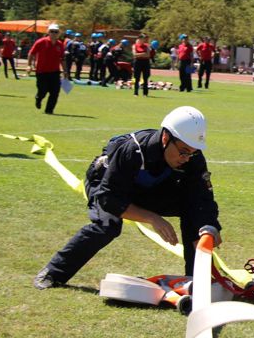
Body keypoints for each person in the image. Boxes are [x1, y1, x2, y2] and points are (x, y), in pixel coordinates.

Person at [33, 106, 220, 289]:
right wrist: (152, 218)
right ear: (165, 138)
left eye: (193, 152)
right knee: (107, 226)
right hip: (106, 185)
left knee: (196, 215)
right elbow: (109, 198)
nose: (187, 158)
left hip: (144, 190)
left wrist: (208, 228)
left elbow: (202, 199)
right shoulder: (132, 150)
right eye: (184, 151)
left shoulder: (193, 157)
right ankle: (53, 273)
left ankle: (196, 283)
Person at [27, 23, 66, 114]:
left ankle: (49, 110)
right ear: (48, 32)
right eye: (52, 31)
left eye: (56, 32)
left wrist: (65, 70)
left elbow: (62, 59)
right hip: (42, 71)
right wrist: (29, 65)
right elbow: (31, 53)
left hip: (55, 72)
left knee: (55, 92)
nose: (54, 33)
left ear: (58, 33)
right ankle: (39, 98)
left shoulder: (60, 44)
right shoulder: (41, 42)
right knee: (43, 91)